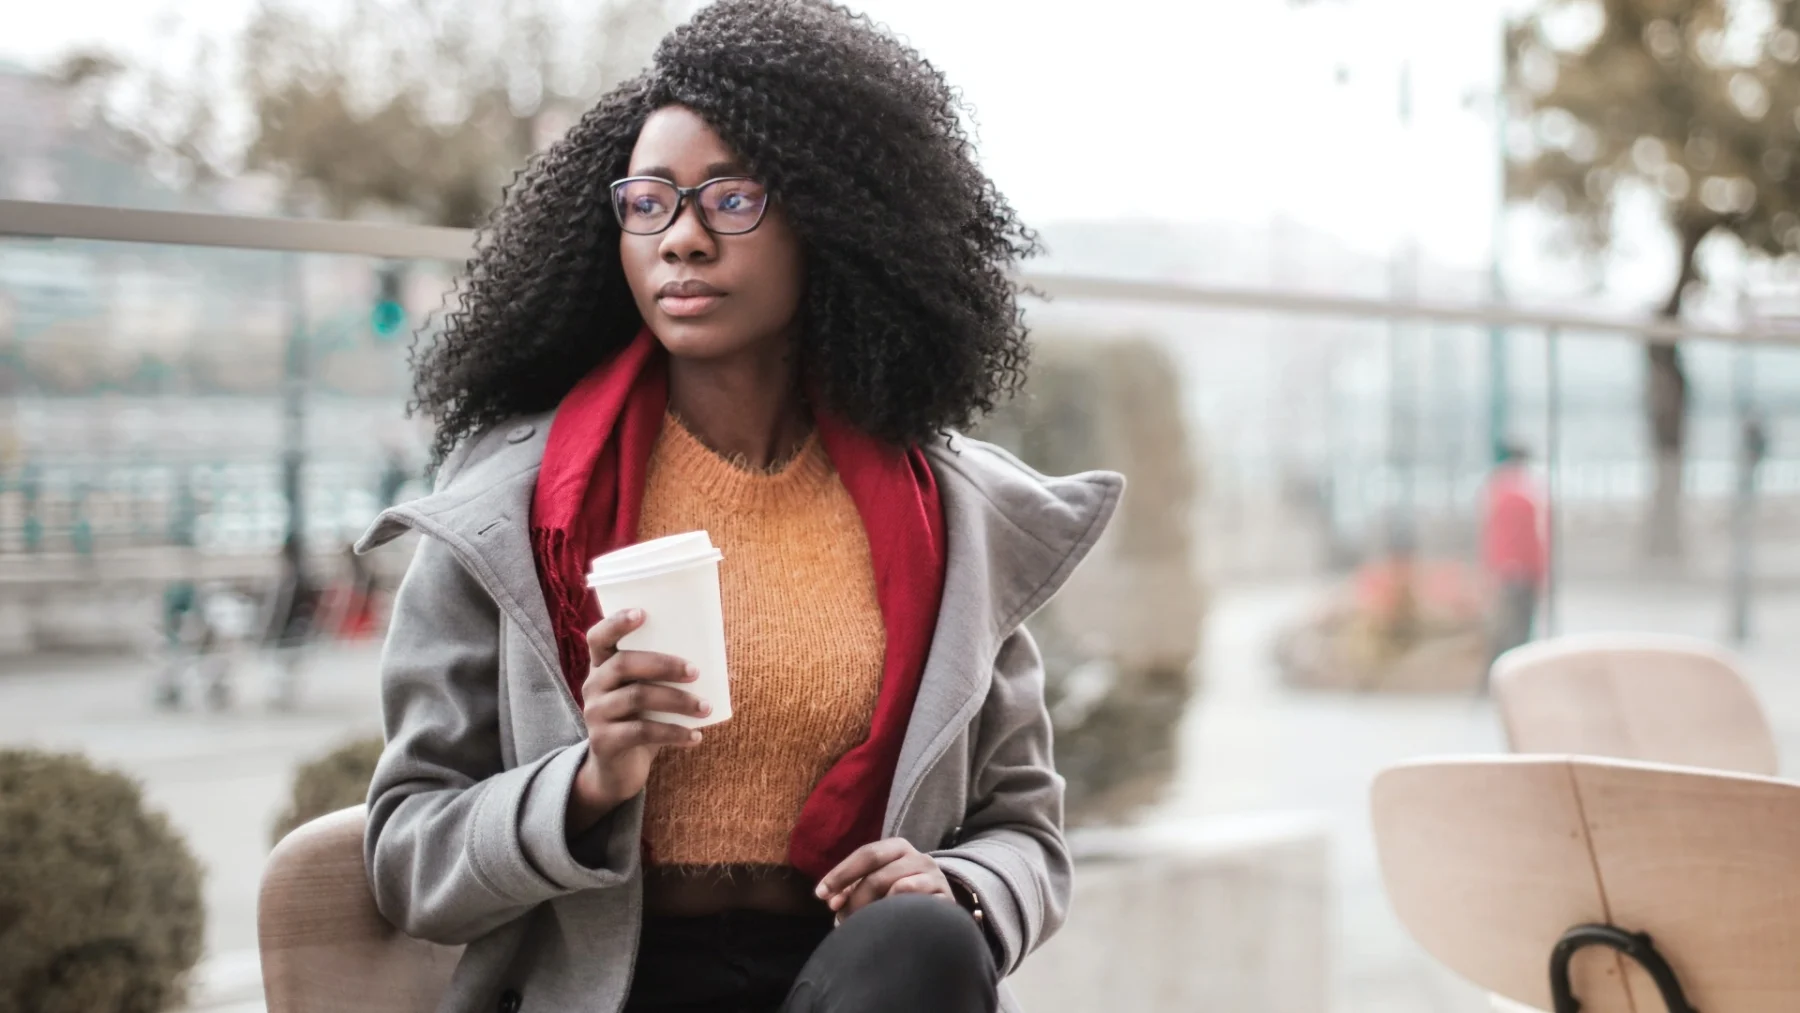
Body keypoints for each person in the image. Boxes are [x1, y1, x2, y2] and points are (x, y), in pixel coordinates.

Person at [355, 3, 1123, 1012]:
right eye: (648, 202)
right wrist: (590, 780)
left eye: (731, 199)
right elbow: (408, 852)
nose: (681, 238)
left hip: (857, 978)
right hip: (617, 989)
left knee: (923, 943)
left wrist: (958, 888)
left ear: (832, 217)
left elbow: (1024, 831)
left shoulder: (949, 519)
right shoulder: (509, 504)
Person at [1481, 443, 1548, 669]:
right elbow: (1529, 537)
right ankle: (1512, 672)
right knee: (1517, 628)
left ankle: (1504, 671)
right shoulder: (1521, 493)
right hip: (1521, 568)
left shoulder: (1498, 489)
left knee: (1511, 625)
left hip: (1509, 567)